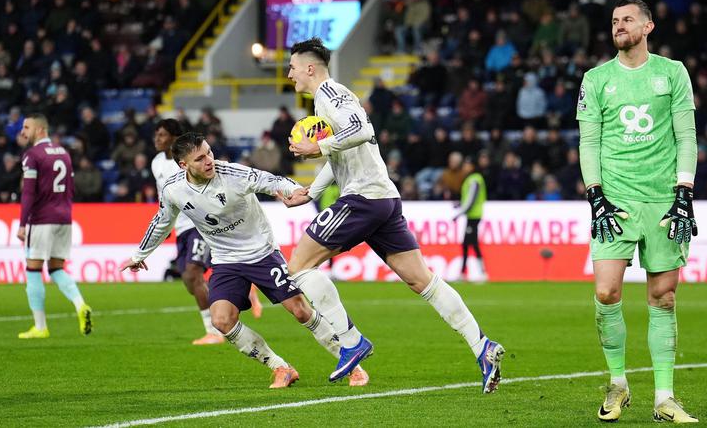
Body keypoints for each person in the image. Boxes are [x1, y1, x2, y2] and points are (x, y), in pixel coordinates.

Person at [284, 37, 504, 392]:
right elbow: (343, 154)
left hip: (363, 199)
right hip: (383, 199)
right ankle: (483, 347)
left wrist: (317, 145)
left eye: (292, 67)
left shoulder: (331, 94)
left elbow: (364, 131)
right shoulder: (327, 100)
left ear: (310, 68)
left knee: (298, 266)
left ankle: (351, 340)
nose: (289, 73)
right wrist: (311, 190)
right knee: (424, 282)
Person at [120, 133, 367, 388]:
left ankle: (352, 366)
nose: (209, 161)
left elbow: (272, 181)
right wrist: (139, 255)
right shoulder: (173, 189)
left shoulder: (232, 174)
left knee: (300, 310)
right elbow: (161, 222)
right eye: (200, 158)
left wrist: (293, 190)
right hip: (226, 261)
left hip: (262, 253)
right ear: (184, 165)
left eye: (209, 153)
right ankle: (280, 367)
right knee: (221, 321)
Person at [577, 0, 699, 423]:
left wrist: (684, 192)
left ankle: (664, 397)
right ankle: (618, 384)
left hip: (664, 201)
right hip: (616, 202)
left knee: (663, 297)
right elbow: (588, 142)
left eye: (628, 19)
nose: (619, 26)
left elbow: (686, 136)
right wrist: (595, 194)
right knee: (606, 292)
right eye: (614, 21)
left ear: (648, 26)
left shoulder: (672, 73)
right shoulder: (596, 79)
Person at [152, 119, 264, 345]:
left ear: (174, 139)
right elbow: (164, 198)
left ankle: (214, 332)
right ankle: (247, 284)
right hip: (181, 228)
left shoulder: (191, 163)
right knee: (188, 280)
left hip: (199, 224)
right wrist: (165, 224)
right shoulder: (156, 163)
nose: (157, 138)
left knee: (192, 273)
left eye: (162, 135)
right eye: (157, 134)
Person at [16, 114, 93, 339]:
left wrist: (23, 224)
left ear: (40, 130)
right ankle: (80, 305)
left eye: (27, 127)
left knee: (33, 270)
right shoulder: (64, 153)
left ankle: (40, 327)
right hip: (64, 217)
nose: (23, 132)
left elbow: (28, 192)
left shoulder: (32, 155)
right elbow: (71, 188)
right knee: (57, 268)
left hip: (41, 220)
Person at [453, 157, 487, 281]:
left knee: (472, 243)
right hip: (472, 215)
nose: (464, 167)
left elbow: (471, 199)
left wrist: (459, 213)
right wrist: (460, 204)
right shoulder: (472, 179)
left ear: (472, 166)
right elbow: (468, 198)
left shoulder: (474, 179)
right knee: (467, 244)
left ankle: (482, 273)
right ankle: (464, 273)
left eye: (467, 165)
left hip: (474, 215)